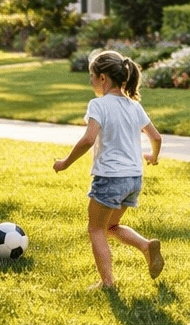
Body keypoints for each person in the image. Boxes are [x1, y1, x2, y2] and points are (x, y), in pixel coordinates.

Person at [53, 48, 164, 288]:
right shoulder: (134, 106)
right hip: (134, 179)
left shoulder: (99, 104)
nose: (91, 81)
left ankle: (107, 283)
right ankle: (146, 246)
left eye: (92, 76)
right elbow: (156, 137)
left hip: (110, 178)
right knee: (110, 226)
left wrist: (64, 163)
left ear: (102, 78)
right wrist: (153, 157)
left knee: (96, 229)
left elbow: (88, 139)